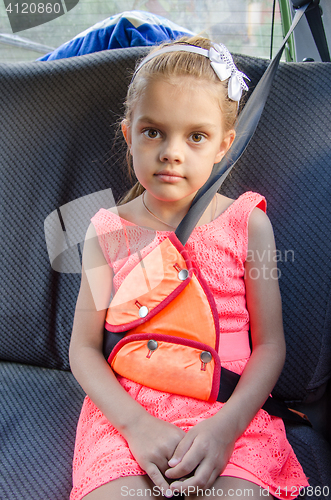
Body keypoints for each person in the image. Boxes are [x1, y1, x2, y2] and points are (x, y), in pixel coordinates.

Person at [69, 36, 309, 500]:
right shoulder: (106, 231)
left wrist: (225, 429)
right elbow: (83, 348)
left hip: (229, 410)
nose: (171, 152)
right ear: (129, 134)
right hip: (130, 410)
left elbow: (270, 345)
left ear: (224, 145)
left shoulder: (249, 225)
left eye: (195, 136)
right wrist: (135, 424)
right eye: (153, 131)